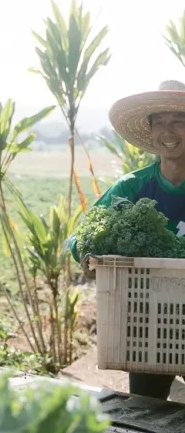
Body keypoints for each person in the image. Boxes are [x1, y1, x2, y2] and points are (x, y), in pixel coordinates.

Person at [70, 79, 185, 401]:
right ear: (151, 132)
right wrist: (86, 254)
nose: (169, 132)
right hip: (148, 326)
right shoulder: (132, 187)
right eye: (159, 123)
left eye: (178, 122)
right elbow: (81, 237)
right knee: (147, 412)